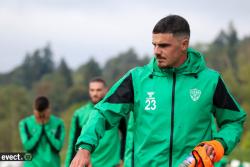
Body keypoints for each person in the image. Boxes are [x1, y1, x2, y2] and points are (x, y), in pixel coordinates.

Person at [70, 15, 246, 167]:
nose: (156, 51)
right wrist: (85, 148)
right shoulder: (137, 79)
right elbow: (102, 113)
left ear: (184, 44)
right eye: (154, 44)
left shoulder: (210, 81)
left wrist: (220, 144)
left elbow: (234, 121)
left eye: (164, 45)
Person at [65, 77, 121, 167]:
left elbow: (127, 135)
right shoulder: (79, 114)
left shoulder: (115, 111)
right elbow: (73, 144)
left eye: (98, 90)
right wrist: (68, 164)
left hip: (112, 164)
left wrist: (124, 158)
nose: (95, 93)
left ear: (106, 90)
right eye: (92, 90)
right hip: (90, 164)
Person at [19, 96, 65, 167]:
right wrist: (40, 126)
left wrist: (46, 127)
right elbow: (28, 147)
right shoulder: (25, 123)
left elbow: (58, 147)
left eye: (43, 112)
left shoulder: (58, 123)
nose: (41, 115)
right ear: (34, 110)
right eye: (38, 112)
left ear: (49, 109)